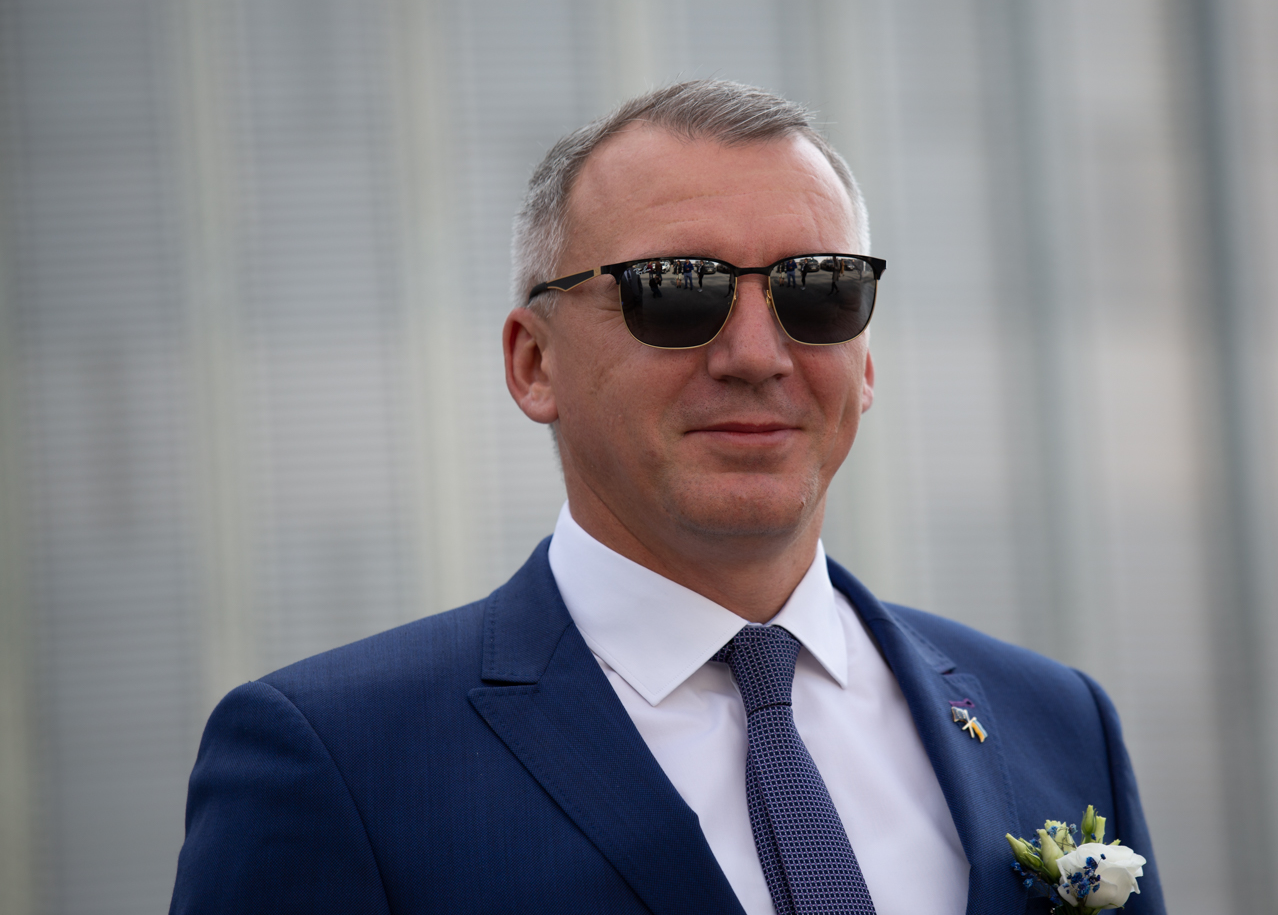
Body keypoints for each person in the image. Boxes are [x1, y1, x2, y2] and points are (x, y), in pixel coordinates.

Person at [169, 80, 1165, 915]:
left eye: (817, 289)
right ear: (533, 362)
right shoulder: (341, 763)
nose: (756, 355)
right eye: (678, 289)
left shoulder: (1056, 722)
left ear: (864, 361)